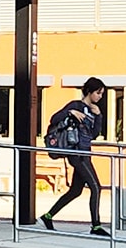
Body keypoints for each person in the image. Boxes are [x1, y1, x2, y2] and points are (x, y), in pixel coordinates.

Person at [41, 77, 108, 236]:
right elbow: (54, 119)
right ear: (90, 92)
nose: (100, 97)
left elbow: (93, 135)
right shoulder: (75, 105)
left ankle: (48, 216)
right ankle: (96, 226)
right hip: (77, 154)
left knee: (76, 191)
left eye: (101, 94)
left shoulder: (93, 110)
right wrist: (70, 112)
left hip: (85, 152)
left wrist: (99, 116)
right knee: (96, 187)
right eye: (98, 93)